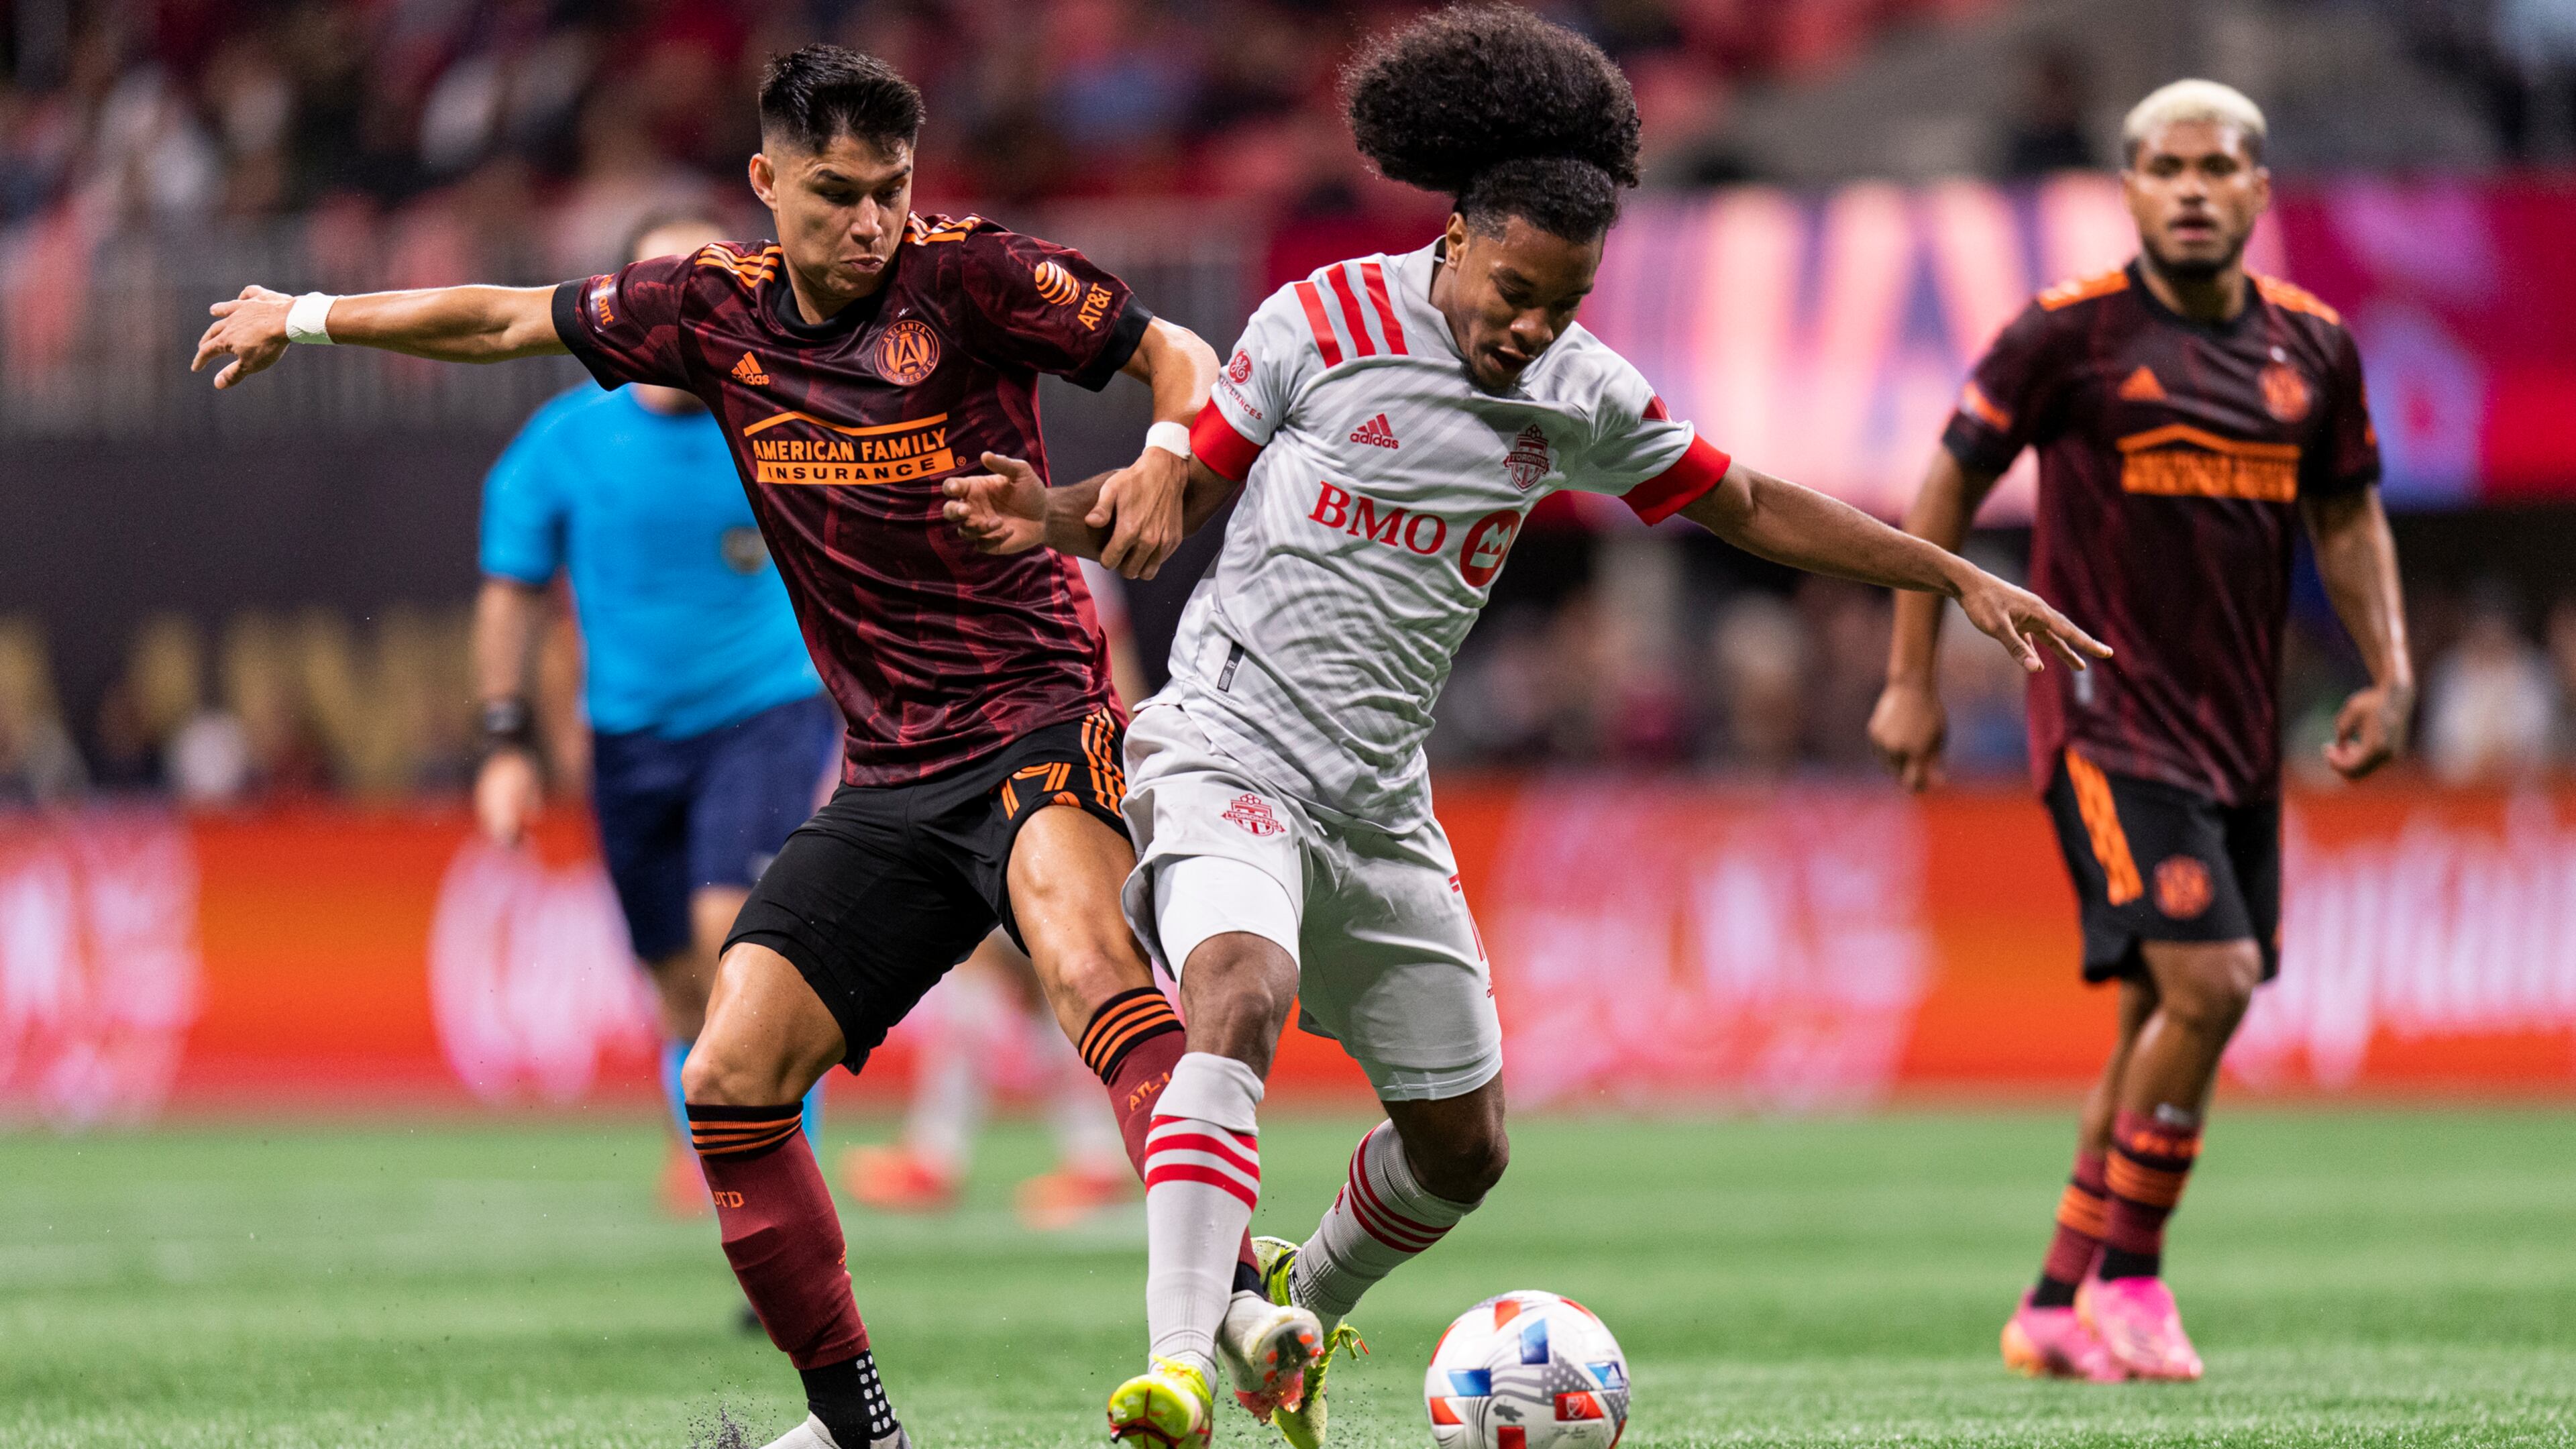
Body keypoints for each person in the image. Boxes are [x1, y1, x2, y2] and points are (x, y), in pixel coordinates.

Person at [943, 10, 2107, 1445]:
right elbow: (1169, 498)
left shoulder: (1579, 394)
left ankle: (1294, 1312)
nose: (1531, 326)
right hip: (1228, 742)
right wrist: (1053, 517)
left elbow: (1748, 504)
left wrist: (1949, 571)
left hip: (1378, 799)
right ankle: (1182, 1364)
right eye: (1514, 290)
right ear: (1458, 238)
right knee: (1237, 991)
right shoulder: (1320, 321)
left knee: (1464, 1148)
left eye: (1563, 302)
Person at [194, 45, 1233, 1449]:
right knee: (727, 1080)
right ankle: (856, 1428)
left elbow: (1177, 352)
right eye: (836, 194)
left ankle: (1227, 1310)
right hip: (886, 774)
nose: (870, 222)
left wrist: (1168, 451)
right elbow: (501, 321)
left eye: (890, 190)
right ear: (766, 183)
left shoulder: (974, 275)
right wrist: (307, 315)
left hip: (1034, 718)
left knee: (1089, 962)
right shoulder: (709, 309)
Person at [1868, 80, 2412, 1383]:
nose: (2191, 190)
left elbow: (2347, 516)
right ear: (2128, 191)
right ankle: (2131, 1278)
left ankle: (2054, 1303)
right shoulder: (2068, 337)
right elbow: (1945, 485)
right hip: (2104, 719)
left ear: (2258, 190)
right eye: (2165, 168)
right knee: (2211, 982)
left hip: (2239, 732)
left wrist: (2392, 671)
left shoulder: (2314, 349)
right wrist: (1911, 675)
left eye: (2217, 168)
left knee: (2165, 1016)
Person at [473, 212, 836, 1220]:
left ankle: (785, 1200)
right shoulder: (563, 445)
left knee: (734, 940)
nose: (685, 304)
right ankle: (733, 1177)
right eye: (662, 283)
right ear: (624, 302)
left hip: (766, 717)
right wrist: (505, 740)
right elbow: (511, 593)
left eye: (706, 280)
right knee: (677, 983)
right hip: (630, 741)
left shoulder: (786, 422)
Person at [843, 558, 1147, 1229]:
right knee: (1032, 974)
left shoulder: (1020, 557)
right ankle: (1090, 1155)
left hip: (1028, 775)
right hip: (1038, 770)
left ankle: (940, 1152)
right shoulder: (1073, 557)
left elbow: (1111, 663)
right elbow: (1119, 667)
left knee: (1003, 962)